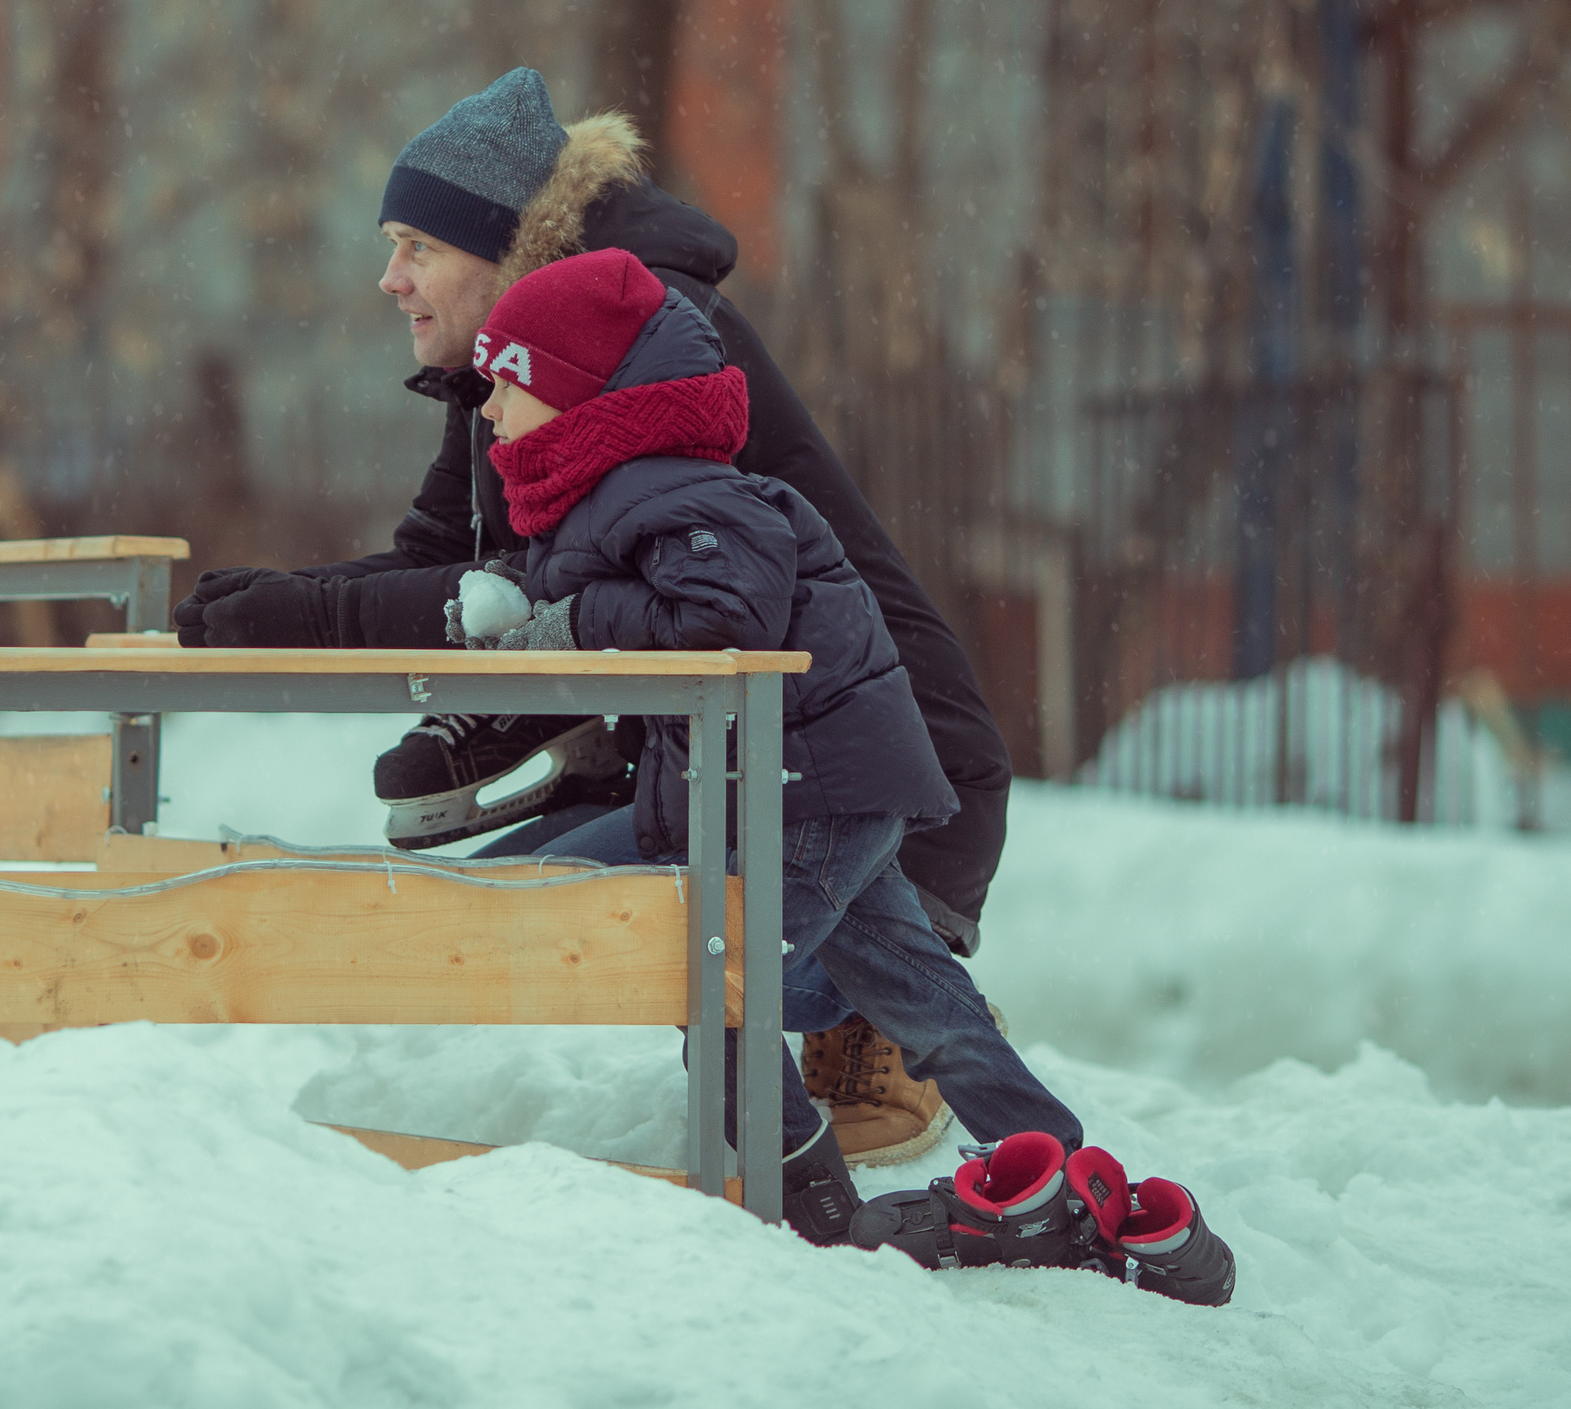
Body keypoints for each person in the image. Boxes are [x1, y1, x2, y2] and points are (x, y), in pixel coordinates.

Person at [172, 66, 1011, 1166]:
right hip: (728, 747)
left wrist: (290, 616)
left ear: (498, 244)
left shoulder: (633, 335)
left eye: (416, 245)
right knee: (494, 910)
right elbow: (443, 559)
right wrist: (276, 601)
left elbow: (522, 595)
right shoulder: (528, 354)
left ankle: (887, 1012)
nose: (389, 277)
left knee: (594, 937)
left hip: (870, 790)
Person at [444, 247, 1232, 1299]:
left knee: (711, 977)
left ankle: (806, 1209)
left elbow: (720, 618)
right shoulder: (635, 489)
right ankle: (1069, 1175)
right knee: (915, 988)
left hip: (803, 789)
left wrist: (576, 622)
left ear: (580, 390)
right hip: (825, 783)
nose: (486, 405)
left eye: (507, 378)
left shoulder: (663, 485)